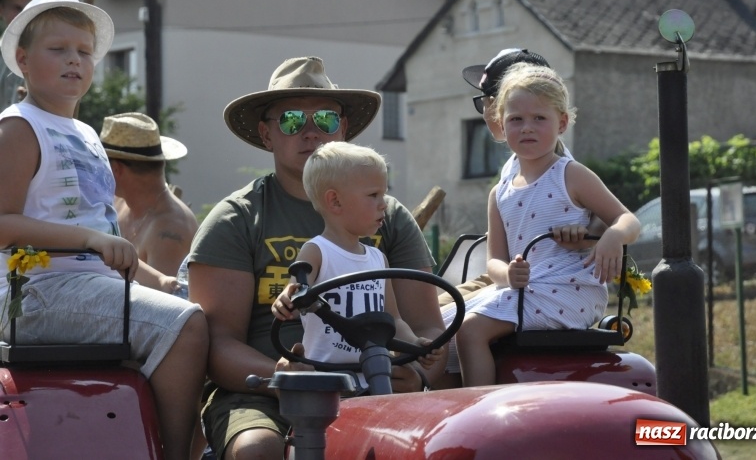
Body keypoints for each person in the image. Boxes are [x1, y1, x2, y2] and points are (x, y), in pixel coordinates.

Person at [188, 56, 445, 460]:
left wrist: (416, 372)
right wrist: (282, 374)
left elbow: (427, 326)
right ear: (266, 133)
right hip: (265, 396)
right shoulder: (236, 219)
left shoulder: (388, 216)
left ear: (343, 129)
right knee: (257, 450)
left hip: (374, 384)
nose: (310, 133)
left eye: (325, 119)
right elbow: (217, 345)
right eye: (291, 120)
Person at [0, 0, 208, 460]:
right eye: (58, 50)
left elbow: (106, 233)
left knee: (203, 311)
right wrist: (90, 240)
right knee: (189, 327)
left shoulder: (88, 133)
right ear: (23, 59)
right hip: (36, 293)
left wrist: (161, 280)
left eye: (84, 52)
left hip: (88, 288)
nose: (75, 60)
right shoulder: (18, 128)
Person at [453, 62, 641, 387]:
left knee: (470, 330)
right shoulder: (500, 192)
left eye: (539, 118)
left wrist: (612, 237)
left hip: (569, 289)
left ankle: (478, 407)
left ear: (562, 123)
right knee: (443, 323)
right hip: (526, 288)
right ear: (501, 123)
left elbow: (629, 220)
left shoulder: (570, 174)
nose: (527, 128)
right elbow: (495, 260)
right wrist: (507, 274)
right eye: (516, 119)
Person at [270, 141, 442, 389]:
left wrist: (415, 344)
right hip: (327, 380)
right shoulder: (317, 251)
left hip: (373, 377)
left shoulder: (377, 259)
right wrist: (286, 300)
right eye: (373, 195)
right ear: (335, 201)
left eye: (383, 193)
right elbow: (296, 291)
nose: (384, 203)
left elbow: (393, 320)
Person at [100, 112, 198, 294]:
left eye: (100, 162)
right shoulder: (116, 202)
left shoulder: (171, 230)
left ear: (116, 169)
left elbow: (161, 311)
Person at [0, 0, 41, 108]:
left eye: (30, 7)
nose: (24, 14)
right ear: (1, 9)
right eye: (17, 8)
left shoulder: (50, 53)